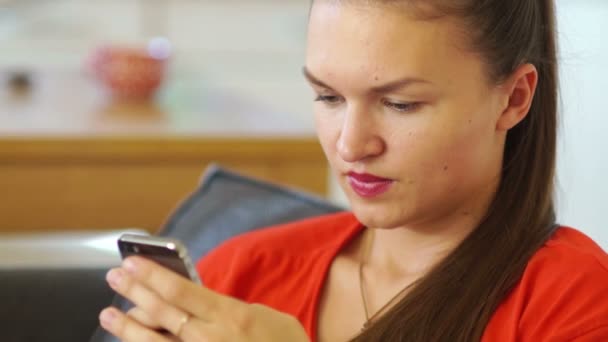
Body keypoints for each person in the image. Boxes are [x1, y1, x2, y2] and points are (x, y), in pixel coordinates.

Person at [98, 0, 608, 341]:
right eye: (327, 96)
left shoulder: (574, 303)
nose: (350, 144)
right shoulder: (239, 274)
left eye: (401, 104)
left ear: (514, 98)